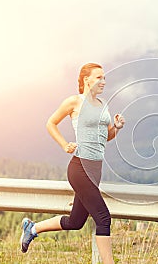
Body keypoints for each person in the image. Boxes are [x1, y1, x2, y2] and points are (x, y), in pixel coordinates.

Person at [20, 63, 125, 264]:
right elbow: (51, 123)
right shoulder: (74, 102)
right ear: (87, 80)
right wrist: (64, 144)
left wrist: (117, 128)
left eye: (104, 78)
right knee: (103, 218)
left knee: (76, 222)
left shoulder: (103, 104)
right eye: (98, 78)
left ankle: (31, 229)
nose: (103, 82)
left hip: (95, 170)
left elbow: (106, 137)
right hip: (79, 168)